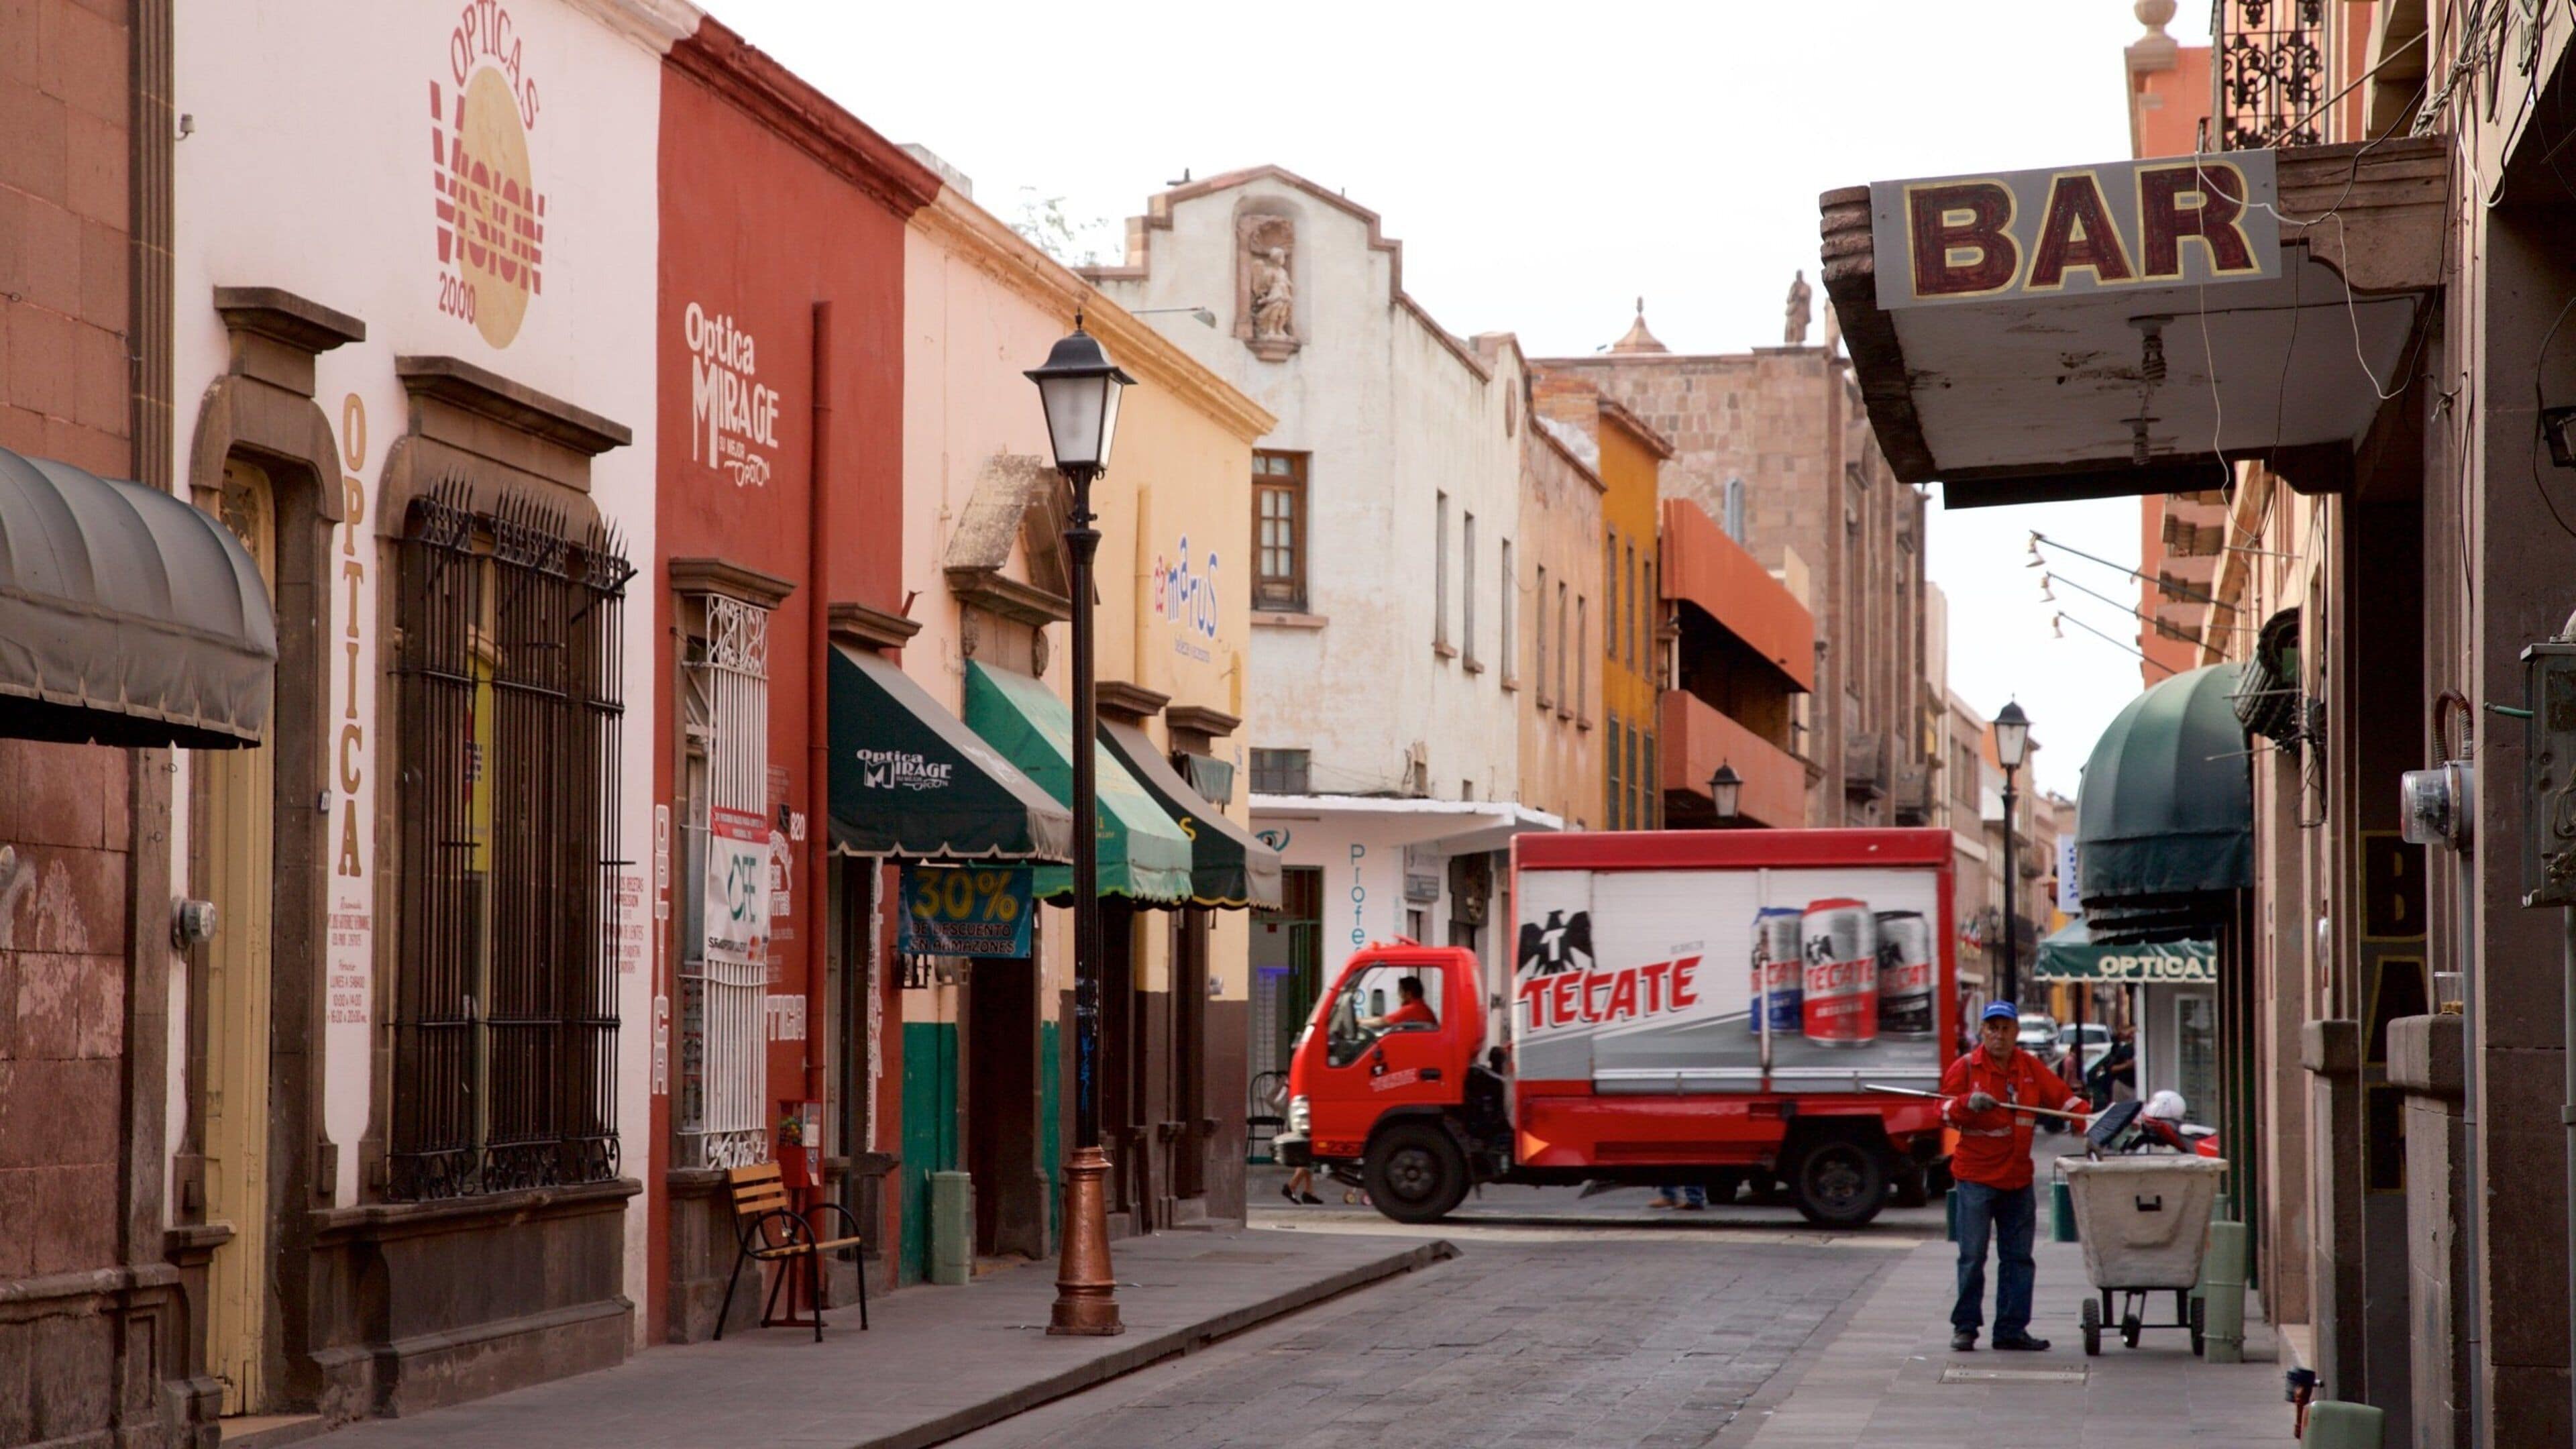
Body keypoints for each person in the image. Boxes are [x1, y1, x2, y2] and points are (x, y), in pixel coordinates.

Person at [1942, 1000, 2088, 1352]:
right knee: (1973, 1255)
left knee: (2019, 1258)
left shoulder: (2029, 1068)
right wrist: (1965, 1104)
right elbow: (1943, 1111)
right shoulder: (1965, 1068)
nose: (1999, 1034)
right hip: (1975, 1177)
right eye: (1992, 1027)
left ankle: (2010, 1329)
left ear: (2016, 1033)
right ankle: (1965, 1328)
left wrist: (2088, 1120)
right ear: (1983, 1031)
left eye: (2006, 1028)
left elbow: (2064, 1099)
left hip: (2017, 1178)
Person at [1362, 976, 1436, 1030]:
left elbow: (1383, 1022)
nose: (1399, 996)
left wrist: (1359, 1022)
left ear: (1408, 994)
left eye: (1400, 992)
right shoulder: (1422, 1008)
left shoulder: (1412, 1009)